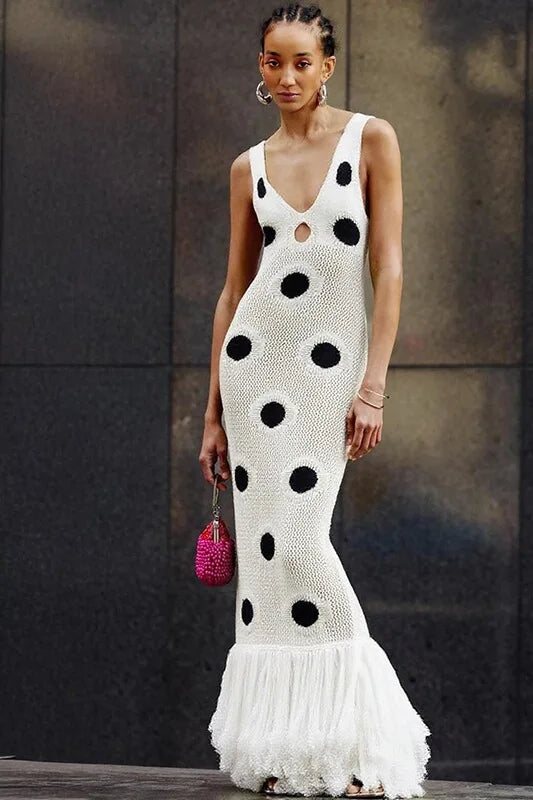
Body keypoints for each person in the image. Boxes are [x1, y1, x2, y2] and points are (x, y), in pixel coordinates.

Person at [199, 4, 431, 798]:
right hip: (253, 368)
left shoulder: (371, 138)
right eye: (272, 61)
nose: (286, 76)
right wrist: (211, 414)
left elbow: (389, 270)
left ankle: (360, 753)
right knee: (264, 563)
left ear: (327, 65)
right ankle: (277, 756)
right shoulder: (248, 165)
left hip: (329, 371)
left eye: (301, 62)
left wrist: (372, 385)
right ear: (259, 68)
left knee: (300, 543)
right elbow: (232, 293)